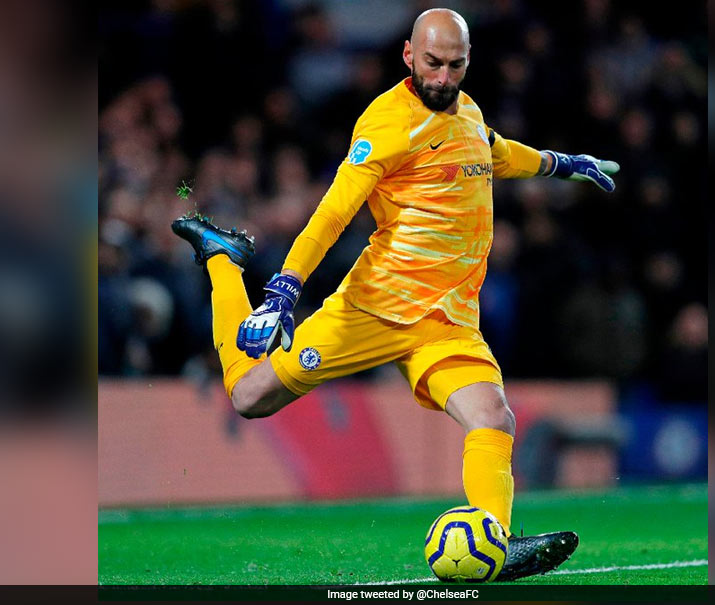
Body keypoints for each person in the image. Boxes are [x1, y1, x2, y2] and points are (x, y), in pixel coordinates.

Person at [172, 8, 618, 581]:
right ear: (409, 55)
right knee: (247, 396)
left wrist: (563, 164)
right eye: (432, 63)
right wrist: (284, 289)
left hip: (448, 320)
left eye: (455, 65)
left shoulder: (468, 112)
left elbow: (497, 153)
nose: (443, 77)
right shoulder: (386, 122)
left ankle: (494, 542)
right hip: (375, 307)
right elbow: (335, 211)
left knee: (493, 417)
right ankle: (222, 259)